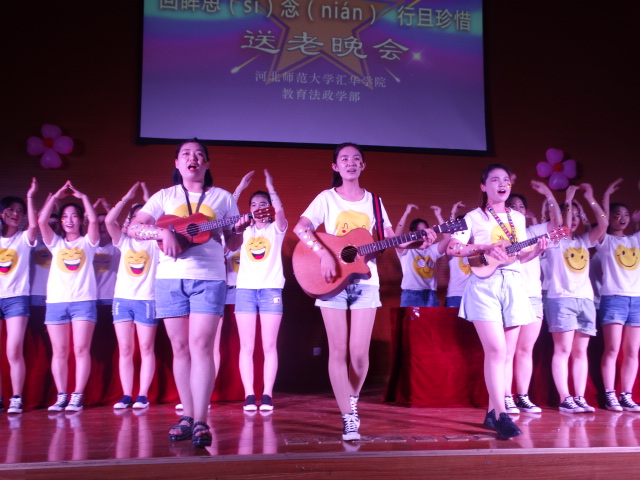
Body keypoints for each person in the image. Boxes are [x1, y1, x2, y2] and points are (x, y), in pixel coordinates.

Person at [293, 142, 436, 441]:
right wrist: (324, 254)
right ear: (335, 166)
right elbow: (301, 228)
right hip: (331, 281)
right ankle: (347, 416)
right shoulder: (326, 198)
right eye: (344, 159)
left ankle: (352, 399)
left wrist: (418, 240)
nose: (350, 163)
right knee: (338, 351)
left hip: (366, 281)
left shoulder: (374, 202)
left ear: (363, 166)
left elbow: (393, 240)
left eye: (356, 159)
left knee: (359, 354)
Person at [127, 139, 243, 448]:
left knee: (201, 346)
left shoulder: (223, 197)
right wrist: (161, 231)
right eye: (186, 154)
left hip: (209, 278)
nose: (193, 158)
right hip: (169, 279)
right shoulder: (164, 196)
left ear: (207, 164)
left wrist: (241, 229)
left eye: (199, 154)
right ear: (177, 163)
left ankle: (202, 419)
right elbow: (134, 228)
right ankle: (187, 416)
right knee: (180, 348)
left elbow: (232, 244)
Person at [448, 164, 548, 439]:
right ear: (483, 186)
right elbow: (454, 248)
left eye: (505, 180)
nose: (502, 184)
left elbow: (519, 256)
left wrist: (536, 251)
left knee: (506, 354)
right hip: (484, 285)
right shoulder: (473, 217)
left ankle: (492, 413)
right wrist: (483, 247)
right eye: (495, 180)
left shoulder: (518, 218)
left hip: (514, 284)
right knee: (495, 349)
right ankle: (503, 414)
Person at [542, 183, 608, 413]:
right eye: (571, 214)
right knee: (563, 350)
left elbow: (604, 224)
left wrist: (591, 198)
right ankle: (565, 398)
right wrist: (568, 200)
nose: (575, 219)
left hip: (585, 300)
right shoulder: (555, 240)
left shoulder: (583, 241)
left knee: (580, 352)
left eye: (579, 216)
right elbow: (562, 224)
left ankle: (579, 397)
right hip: (561, 299)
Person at [38, 181, 100, 413]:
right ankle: (62, 395)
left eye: (74, 216)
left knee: (81, 350)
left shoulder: (88, 242)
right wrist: (55, 197)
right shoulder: (56, 243)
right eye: (65, 216)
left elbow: (94, 221)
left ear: (81, 220)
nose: (70, 220)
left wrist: (83, 197)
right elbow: (41, 221)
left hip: (83, 302)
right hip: (56, 302)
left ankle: (77, 396)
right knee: (60, 352)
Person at [504, 180, 562, 414]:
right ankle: (505, 396)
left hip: (533, 296)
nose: (517, 209)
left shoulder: (533, 232)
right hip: (510, 295)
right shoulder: (501, 235)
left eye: (521, 206)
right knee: (507, 351)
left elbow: (558, 223)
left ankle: (523, 396)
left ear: (526, 212)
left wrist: (548, 193)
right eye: (512, 206)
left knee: (525, 349)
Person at [234, 170, 287, 412]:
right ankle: (249, 395)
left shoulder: (276, 229)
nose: (258, 207)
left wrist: (271, 187)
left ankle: (267, 394)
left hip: (270, 290)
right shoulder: (243, 230)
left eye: (263, 204)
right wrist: (240, 188)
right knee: (246, 346)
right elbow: (226, 212)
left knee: (269, 345)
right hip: (245, 291)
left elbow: (281, 213)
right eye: (253, 204)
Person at [104, 182, 159, 410]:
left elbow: (160, 220)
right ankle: (127, 394)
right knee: (125, 349)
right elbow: (109, 222)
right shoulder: (124, 241)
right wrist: (126, 197)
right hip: (122, 300)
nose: (141, 221)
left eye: (145, 217)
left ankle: (142, 395)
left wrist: (148, 202)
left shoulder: (156, 242)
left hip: (147, 299)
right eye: (136, 217)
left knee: (146, 348)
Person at [596, 178, 640, 412]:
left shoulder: (635, 239)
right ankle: (609, 394)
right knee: (612, 349)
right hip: (614, 298)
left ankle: (626, 394)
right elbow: (602, 221)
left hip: (637, 300)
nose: (621, 218)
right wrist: (606, 195)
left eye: (625, 215)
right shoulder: (605, 240)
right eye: (616, 214)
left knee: (632, 351)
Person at [0, 179, 38, 414]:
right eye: (11, 210)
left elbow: (34, 225)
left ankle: (16, 397)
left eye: (20, 211)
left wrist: (30, 197)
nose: (15, 214)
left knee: (13, 349)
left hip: (16, 298)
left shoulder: (24, 238)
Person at [394, 204, 450, 307]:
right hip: (411, 294)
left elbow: (448, 239)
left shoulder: (432, 249)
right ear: (412, 232)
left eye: (425, 229)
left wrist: (439, 215)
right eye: (418, 230)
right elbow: (396, 238)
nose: (422, 232)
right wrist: (406, 213)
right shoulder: (407, 250)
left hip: (430, 294)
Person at [445, 201, 469, 308]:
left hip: (473, 294)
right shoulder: (452, 246)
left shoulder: (476, 245)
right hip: (455, 295)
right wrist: (453, 212)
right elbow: (451, 230)